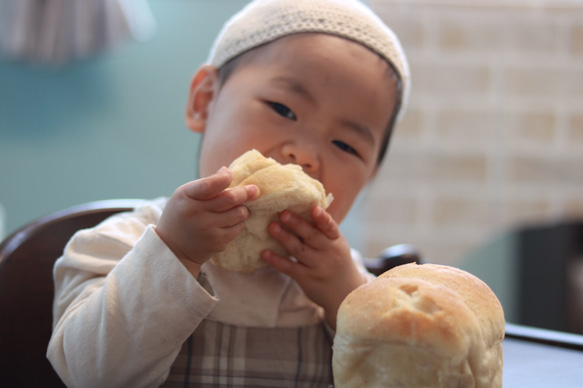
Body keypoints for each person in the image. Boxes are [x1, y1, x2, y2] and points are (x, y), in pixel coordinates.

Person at [46, 0, 411, 386]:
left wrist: (347, 301)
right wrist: (176, 255)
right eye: (283, 110)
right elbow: (91, 375)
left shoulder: (358, 290)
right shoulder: (115, 246)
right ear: (204, 101)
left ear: (370, 176)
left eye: (345, 145)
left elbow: (408, 376)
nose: (304, 155)